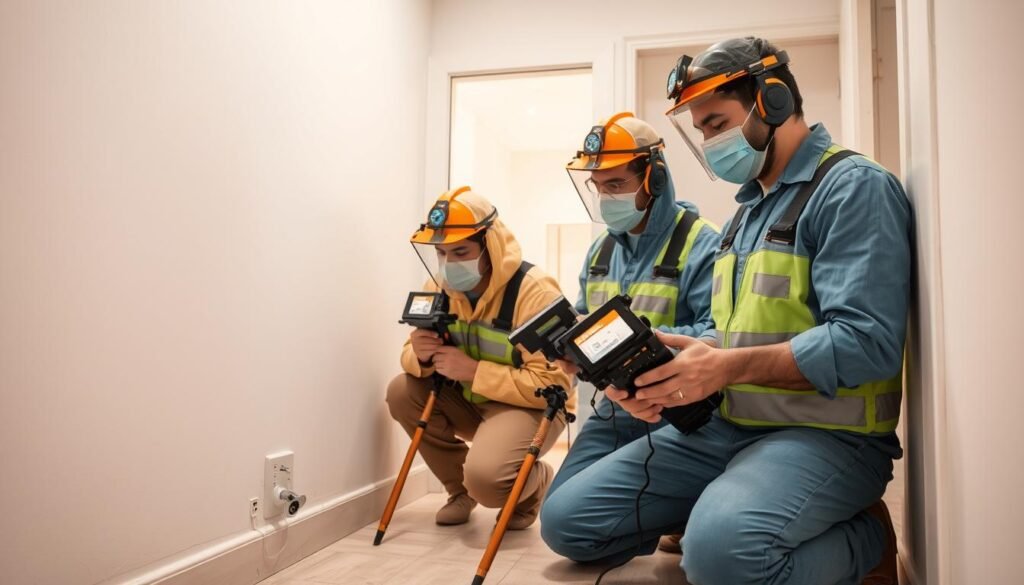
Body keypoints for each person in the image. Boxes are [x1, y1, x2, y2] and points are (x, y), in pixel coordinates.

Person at [540, 37, 908, 585]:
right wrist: (670, 365)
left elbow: (867, 343)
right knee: (567, 524)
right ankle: (732, 505)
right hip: (728, 423)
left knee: (716, 560)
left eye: (716, 123)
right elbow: (733, 335)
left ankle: (867, 539)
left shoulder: (851, 189)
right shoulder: (747, 214)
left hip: (824, 435)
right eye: (703, 130)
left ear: (773, 101)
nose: (709, 141)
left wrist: (726, 365)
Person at [542, 112, 720, 522]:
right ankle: (672, 514)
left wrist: (640, 341)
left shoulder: (702, 243)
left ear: (654, 180)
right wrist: (573, 348)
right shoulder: (599, 252)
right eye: (598, 187)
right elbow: (583, 316)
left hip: (675, 411)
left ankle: (689, 514)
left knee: (583, 519)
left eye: (616, 184)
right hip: (614, 408)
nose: (606, 198)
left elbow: (717, 335)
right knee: (558, 515)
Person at [386, 186, 574, 530]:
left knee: (490, 480)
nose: (450, 264)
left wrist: (474, 370)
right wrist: (420, 355)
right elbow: (407, 354)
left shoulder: (535, 291)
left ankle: (531, 483)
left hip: (529, 408)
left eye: (460, 251)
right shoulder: (438, 287)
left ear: (490, 244)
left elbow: (555, 382)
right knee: (401, 391)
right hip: (472, 402)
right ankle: (461, 491)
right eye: (442, 254)